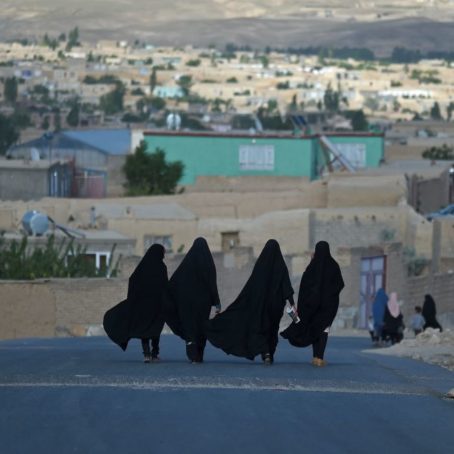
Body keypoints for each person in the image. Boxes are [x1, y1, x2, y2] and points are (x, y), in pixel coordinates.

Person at [206, 239, 294, 365]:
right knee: (271, 329)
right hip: (275, 307)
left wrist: (245, 301)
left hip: (260, 306)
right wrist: (292, 303)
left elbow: (252, 287)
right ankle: (269, 353)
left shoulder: (261, 266)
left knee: (260, 326)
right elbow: (286, 287)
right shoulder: (281, 267)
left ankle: (266, 353)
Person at [280, 241, 344, 367]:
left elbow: (304, 287)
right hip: (328, 307)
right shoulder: (334, 266)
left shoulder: (312, 268)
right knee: (324, 330)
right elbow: (339, 284)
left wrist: (306, 303)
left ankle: (315, 357)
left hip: (312, 306)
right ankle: (319, 357)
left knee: (315, 328)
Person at [103, 244, 168, 362]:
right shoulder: (161, 267)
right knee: (155, 330)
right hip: (157, 306)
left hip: (143, 306)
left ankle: (147, 354)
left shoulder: (142, 267)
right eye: (163, 252)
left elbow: (132, 280)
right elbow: (165, 286)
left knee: (144, 330)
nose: (164, 254)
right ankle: (154, 354)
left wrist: (133, 299)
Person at [165, 237, 221, 363]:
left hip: (187, 304)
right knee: (201, 327)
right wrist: (216, 302)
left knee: (190, 326)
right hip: (203, 304)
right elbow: (212, 283)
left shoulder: (186, 265)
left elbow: (174, 283)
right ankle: (199, 354)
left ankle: (192, 355)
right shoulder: (208, 264)